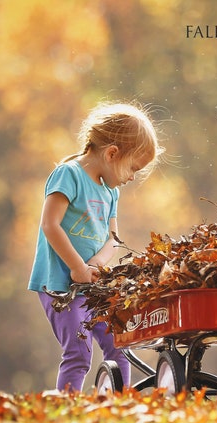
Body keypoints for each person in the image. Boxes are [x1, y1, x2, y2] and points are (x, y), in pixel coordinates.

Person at [28, 102, 163, 392]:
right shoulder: (69, 175)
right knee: (79, 352)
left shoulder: (110, 192)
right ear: (112, 153)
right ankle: (68, 406)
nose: (132, 177)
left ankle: (119, 403)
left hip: (92, 286)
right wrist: (77, 267)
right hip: (60, 287)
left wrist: (95, 265)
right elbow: (50, 224)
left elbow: (113, 238)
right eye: (133, 168)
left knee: (119, 343)